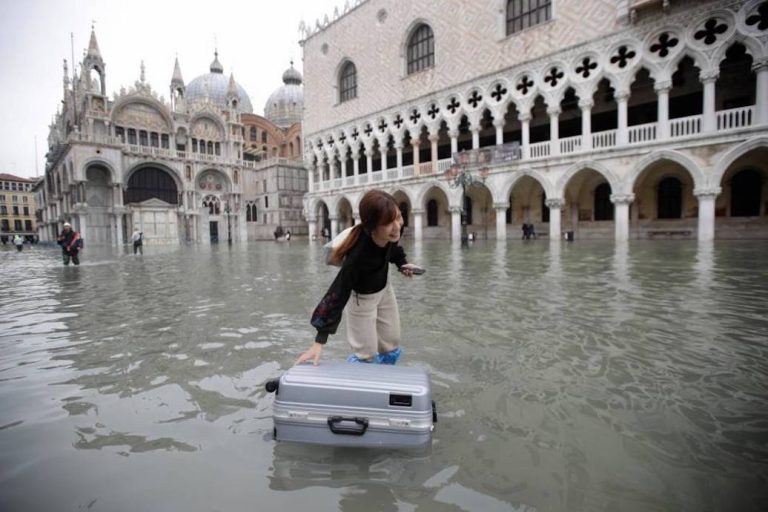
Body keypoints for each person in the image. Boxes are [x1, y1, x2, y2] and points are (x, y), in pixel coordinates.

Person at [296, 189, 421, 366]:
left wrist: (402, 265)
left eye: (398, 217)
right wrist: (319, 341)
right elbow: (337, 294)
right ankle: (362, 382)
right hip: (362, 301)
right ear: (372, 227)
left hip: (384, 290)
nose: (397, 226)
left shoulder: (388, 235)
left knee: (391, 344)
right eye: (388, 222)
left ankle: (385, 378)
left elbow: (392, 249)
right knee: (366, 354)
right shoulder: (358, 257)